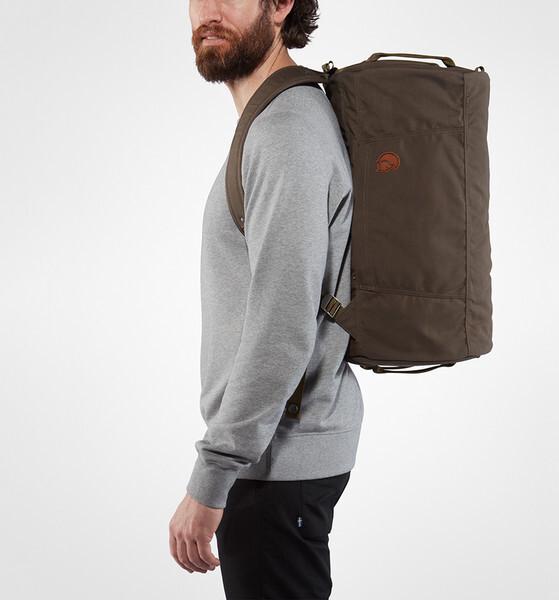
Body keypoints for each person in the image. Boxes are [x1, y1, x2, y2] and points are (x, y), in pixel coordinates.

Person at [169, 1, 364, 598]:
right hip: (273, 459)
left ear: (280, 6)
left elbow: (282, 325)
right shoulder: (275, 120)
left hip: (276, 466)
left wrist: (213, 474)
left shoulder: (286, 131)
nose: (208, 10)